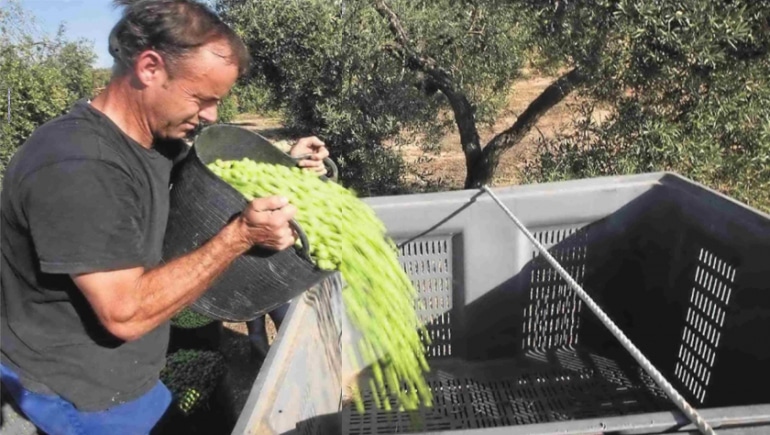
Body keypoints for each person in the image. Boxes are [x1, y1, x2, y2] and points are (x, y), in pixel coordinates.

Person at [0, 1, 329, 434]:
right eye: (201, 98)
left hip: (129, 370)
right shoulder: (78, 167)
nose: (212, 114)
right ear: (150, 68)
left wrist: (284, 165)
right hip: (75, 390)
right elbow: (125, 313)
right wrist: (240, 235)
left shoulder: (156, 139)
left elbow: (203, 197)